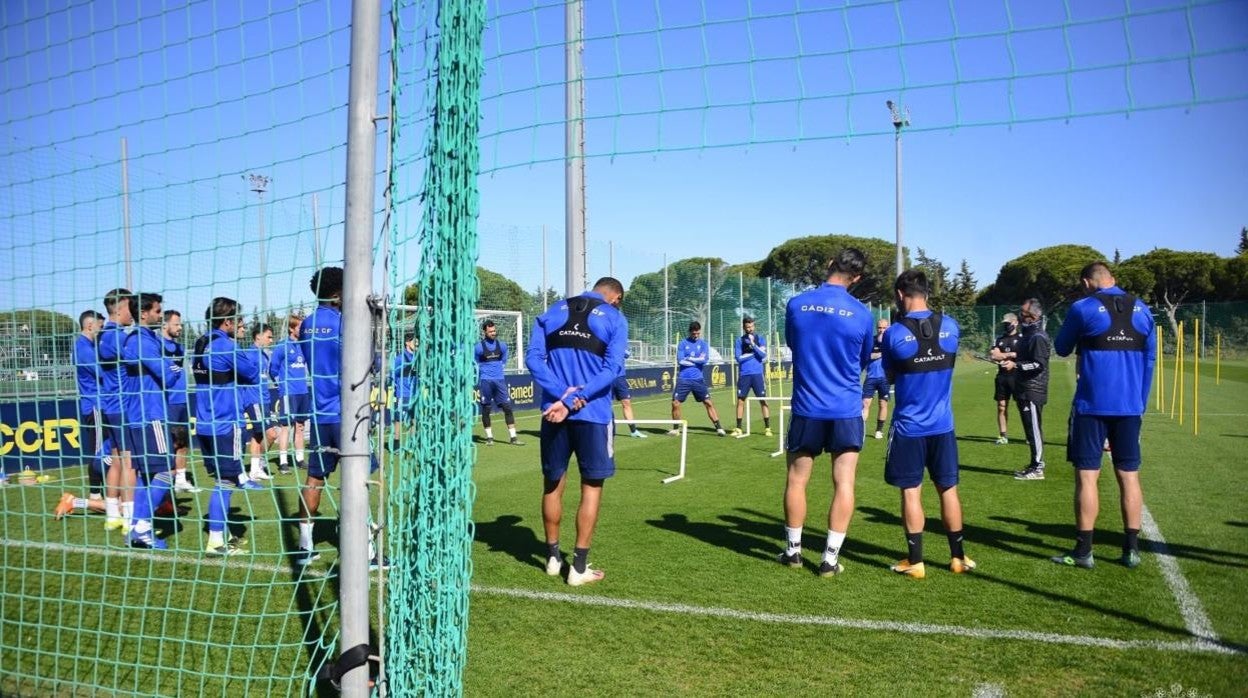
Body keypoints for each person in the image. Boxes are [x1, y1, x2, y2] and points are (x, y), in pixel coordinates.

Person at [525, 277, 629, 586]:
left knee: (552, 484)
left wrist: (561, 396)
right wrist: (573, 400)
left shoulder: (553, 311)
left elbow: (533, 358)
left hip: (553, 413)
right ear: (616, 297)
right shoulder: (615, 318)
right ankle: (578, 568)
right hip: (593, 415)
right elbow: (612, 370)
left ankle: (553, 558)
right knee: (591, 487)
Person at [1052, 262, 1156, 569]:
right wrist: (1141, 404)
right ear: (1113, 279)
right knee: (1129, 475)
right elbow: (1150, 361)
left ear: (1087, 282)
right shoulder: (1142, 309)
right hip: (1130, 406)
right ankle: (1132, 550)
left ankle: (1084, 551)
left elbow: (1060, 347)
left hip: (1092, 406)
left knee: (1087, 477)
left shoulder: (1083, 307)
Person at [780, 249, 874, 576]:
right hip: (846, 408)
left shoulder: (796, 304)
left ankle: (792, 552)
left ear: (829, 264)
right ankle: (829, 559)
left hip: (807, 406)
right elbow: (863, 360)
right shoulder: (862, 314)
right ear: (857, 278)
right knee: (844, 481)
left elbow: (794, 344)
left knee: (796, 479)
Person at [881, 269, 976, 579]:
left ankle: (916, 561)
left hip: (909, 427)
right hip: (943, 426)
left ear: (899, 294)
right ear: (927, 292)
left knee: (911, 493)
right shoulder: (950, 327)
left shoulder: (894, 334)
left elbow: (889, 376)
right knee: (948, 489)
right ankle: (958, 557)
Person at [298, 267, 385, 568]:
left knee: (314, 478)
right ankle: (367, 552)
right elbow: (369, 362)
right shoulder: (345, 323)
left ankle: (304, 546)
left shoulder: (307, 324)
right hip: (346, 414)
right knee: (359, 479)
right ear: (338, 294)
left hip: (319, 413)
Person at [192, 297, 261, 556]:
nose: (241, 324)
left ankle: (223, 534)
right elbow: (252, 373)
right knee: (227, 481)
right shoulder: (226, 346)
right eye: (239, 320)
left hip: (204, 422)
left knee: (222, 479)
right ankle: (216, 542)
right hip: (225, 423)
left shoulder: (200, 343)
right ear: (227, 321)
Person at [120, 292, 183, 549]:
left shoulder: (145, 339)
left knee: (147, 475)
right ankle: (143, 526)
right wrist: (172, 368)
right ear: (144, 313)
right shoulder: (141, 341)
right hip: (150, 414)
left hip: (142, 414)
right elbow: (167, 376)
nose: (160, 315)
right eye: (158, 311)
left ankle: (137, 528)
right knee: (168, 470)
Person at [52, 310, 110, 519]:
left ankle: (101, 495)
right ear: (89, 326)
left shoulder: (89, 346)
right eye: (100, 327)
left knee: (109, 451)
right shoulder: (83, 349)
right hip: (95, 407)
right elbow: (103, 373)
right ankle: (94, 495)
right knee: (99, 453)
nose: (102, 331)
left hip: (103, 406)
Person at [96, 288, 136, 532]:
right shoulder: (117, 337)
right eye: (131, 307)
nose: (133, 313)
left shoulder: (103, 335)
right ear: (119, 307)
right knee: (129, 462)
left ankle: (112, 515)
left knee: (117, 461)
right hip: (123, 406)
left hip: (110, 405)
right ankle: (130, 519)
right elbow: (137, 360)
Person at [1002, 299, 1050, 480]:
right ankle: (1033, 464)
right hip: (1024, 388)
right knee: (1030, 430)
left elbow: (1039, 365)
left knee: (1034, 429)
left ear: (1033, 317)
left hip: (1033, 389)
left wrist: (1016, 366)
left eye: (1023, 314)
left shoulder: (1038, 337)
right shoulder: (1028, 335)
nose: (1020, 317)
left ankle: (1038, 467)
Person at [161, 309, 198, 493]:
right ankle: (165, 484)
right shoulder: (156, 346)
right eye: (176, 324)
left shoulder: (180, 348)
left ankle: (181, 479)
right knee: (169, 444)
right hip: (167, 403)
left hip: (182, 400)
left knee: (183, 442)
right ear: (164, 324)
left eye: (180, 324)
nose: (180, 327)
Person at [238, 324, 279, 482]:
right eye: (268, 336)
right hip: (254, 399)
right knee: (271, 434)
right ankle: (259, 464)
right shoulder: (249, 354)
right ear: (258, 336)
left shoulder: (264, 355)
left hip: (264, 399)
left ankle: (255, 470)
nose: (271, 339)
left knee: (258, 435)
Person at [670, 321, 726, 437]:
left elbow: (704, 360)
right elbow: (680, 361)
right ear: (690, 332)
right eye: (694, 333)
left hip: (698, 379)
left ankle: (719, 428)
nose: (696, 335)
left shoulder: (704, 344)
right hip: (684, 379)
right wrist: (696, 360)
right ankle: (676, 429)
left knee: (708, 402)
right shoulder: (682, 344)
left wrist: (689, 358)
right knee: (675, 403)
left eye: (698, 333)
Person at [270, 314, 310, 474]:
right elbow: (273, 369)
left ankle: (300, 459)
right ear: (291, 328)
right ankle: (283, 461)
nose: (303, 330)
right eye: (300, 327)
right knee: (285, 427)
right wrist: (282, 385)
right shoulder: (282, 346)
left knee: (300, 426)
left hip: (303, 391)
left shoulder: (304, 345)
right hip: (289, 392)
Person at [476, 320, 522, 445]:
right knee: (486, 408)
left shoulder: (502, 346)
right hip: (486, 381)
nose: (493, 333)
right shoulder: (479, 347)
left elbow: (504, 359)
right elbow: (474, 361)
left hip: (500, 381)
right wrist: (482, 370)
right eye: (490, 331)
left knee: (507, 408)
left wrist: (499, 367)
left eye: (494, 331)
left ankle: (513, 438)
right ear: (484, 332)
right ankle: (489, 438)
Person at [732, 317, 771, 437]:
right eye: (747, 327)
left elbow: (763, 355)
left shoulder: (760, 339)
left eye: (751, 326)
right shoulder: (739, 341)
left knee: (762, 400)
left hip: (757, 374)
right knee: (740, 400)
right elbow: (739, 358)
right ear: (744, 327)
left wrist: (754, 345)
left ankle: (767, 427)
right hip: (745, 374)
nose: (750, 329)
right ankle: (738, 428)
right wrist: (754, 354)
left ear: (754, 326)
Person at [988, 313, 1021, 445]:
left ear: (1016, 322)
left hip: (1018, 376)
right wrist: (1010, 354)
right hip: (1002, 377)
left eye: (1009, 323)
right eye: (1005, 324)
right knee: (1001, 406)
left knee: (1022, 406)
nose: (1006, 326)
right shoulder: (999, 339)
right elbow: (993, 355)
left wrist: (1004, 355)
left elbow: (1023, 354)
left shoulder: (1022, 338)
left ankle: (1029, 435)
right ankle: (1003, 435)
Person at [860, 318, 890, 440]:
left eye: (884, 328)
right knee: (865, 403)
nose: (881, 330)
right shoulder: (870, 341)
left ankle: (879, 430)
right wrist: (882, 354)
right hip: (871, 377)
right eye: (879, 328)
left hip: (885, 378)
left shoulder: (890, 341)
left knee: (883, 404)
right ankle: (861, 429)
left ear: (888, 328)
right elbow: (867, 356)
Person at [390, 332, 419, 449]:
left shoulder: (417, 357)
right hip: (403, 394)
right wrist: (396, 387)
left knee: (414, 418)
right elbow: (392, 374)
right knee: (399, 419)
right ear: (407, 343)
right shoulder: (400, 358)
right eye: (414, 341)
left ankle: (413, 442)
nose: (416, 343)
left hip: (414, 393)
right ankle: (396, 444)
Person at [611, 350, 646, 438]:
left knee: (626, 402)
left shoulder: (619, 342)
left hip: (620, 378)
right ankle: (608, 430)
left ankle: (633, 431)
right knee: (607, 404)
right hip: (606, 376)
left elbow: (627, 354)